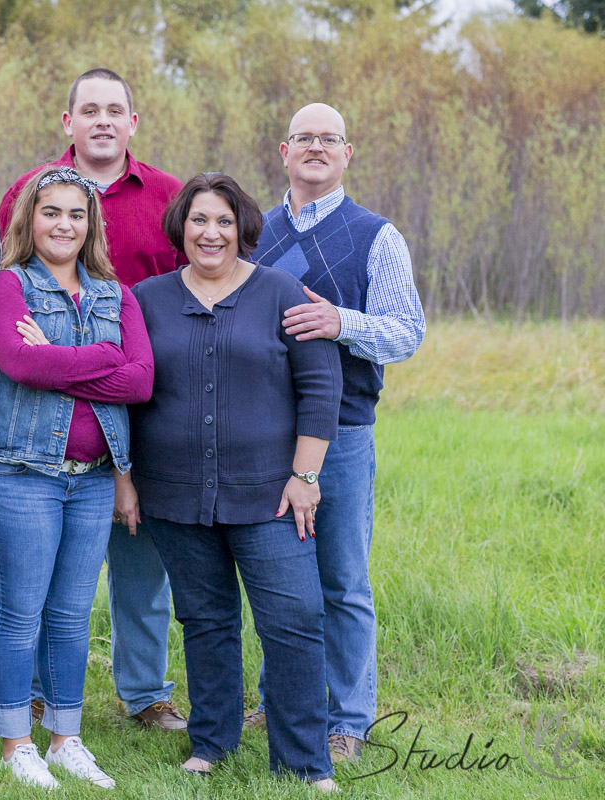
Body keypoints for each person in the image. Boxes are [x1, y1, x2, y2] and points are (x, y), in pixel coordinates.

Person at [119, 172, 341, 790]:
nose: (210, 233)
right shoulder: (146, 299)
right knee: (205, 618)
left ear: (242, 228)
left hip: (270, 495)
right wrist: (125, 479)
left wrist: (305, 475)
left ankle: (303, 760)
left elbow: (320, 387)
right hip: (174, 494)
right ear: (180, 229)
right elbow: (123, 392)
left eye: (222, 221)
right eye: (198, 220)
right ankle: (212, 741)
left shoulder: (281, 293)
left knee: (294, 619)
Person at [0, 67, 186, 732]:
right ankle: (44, 693)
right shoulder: (30, 191)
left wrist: (77, 362)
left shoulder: (167, 196)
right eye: (90, 110)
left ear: (132, 122)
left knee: (140, 562)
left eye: (116, 110)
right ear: (67, 122)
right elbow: (4, 290)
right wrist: (85, 364)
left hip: (146, 405)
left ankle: (145, 693)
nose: (102, 120)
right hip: (42, 417)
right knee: (49, 575)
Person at [247, 103, 426, 765]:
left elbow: (406, 333)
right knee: (275, 578)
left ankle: (348, 719)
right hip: (265, 434)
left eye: (330, 139)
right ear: (284, 151)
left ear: (347, 153)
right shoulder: (252, 232)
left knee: (343, 582)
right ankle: (278, 703)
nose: (316, 148)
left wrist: (339, 323)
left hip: (344, 432)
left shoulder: (376, 236)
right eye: (305, 138)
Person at [0, 166, 154, 790]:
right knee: (20, 611)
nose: (64, 225)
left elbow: (140, 381)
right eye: (51, 212)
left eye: (76, 214)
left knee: (72, 616)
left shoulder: (116, 294)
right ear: (30, 218)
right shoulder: (7, 287)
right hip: (21, 474)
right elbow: (18, 362)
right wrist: (102, 358)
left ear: (91, 224)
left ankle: (65, 739)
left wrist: (62, 362)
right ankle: (15, 744)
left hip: (94, 478)